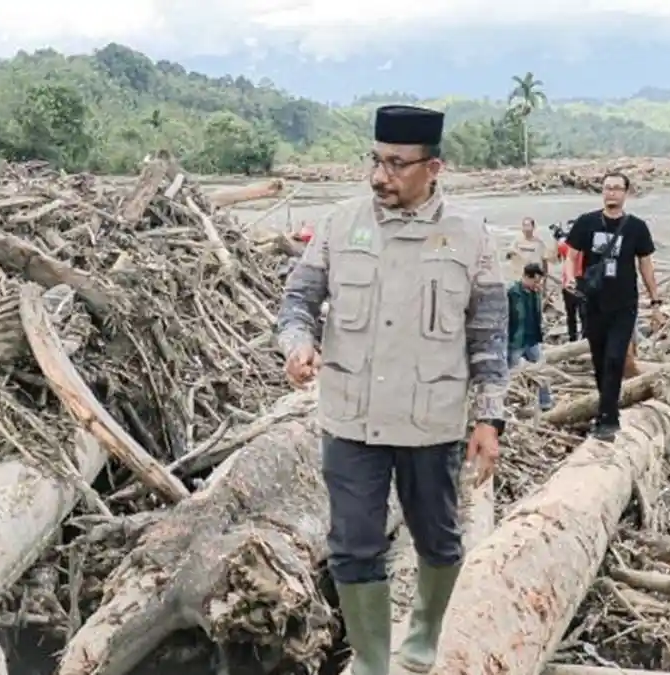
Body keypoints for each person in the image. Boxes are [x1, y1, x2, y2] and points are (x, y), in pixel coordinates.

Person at [275, 104, 508, 675]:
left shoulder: (472, 238)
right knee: (353, 546)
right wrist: (297, 345)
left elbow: (489, 337)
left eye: (397, 165)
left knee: (438, 540)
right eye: (376, 161)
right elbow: (297, 303)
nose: (381, 176)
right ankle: (373, 663)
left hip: (432, 419)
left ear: (434, 168)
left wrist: (489, 419)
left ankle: (424, 637)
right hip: (351, 417)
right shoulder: (337, 225)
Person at [563, 171, 661, 441]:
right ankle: (606, 409)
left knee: (616, 358)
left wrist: (655, 301)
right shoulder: (586, 222)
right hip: (593, 303)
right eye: (607, 188)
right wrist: (570, 278)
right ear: (602, 192)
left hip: (624, 304)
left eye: (617, 188)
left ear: (626, 193)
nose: (612, 193)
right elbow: (571, 256)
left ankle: (609, 419)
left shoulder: (636, 227)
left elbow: (646, 266)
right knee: (599, 360)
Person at [508, 263, 552, 410]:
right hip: (516, 341)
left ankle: (545, 403)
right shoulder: (512, 293)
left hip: (532, 340)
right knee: (511, 374)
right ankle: (508, 404)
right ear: (526, 277)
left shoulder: (535, 294)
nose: (537, 284)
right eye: (535, 281)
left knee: (542, 371)